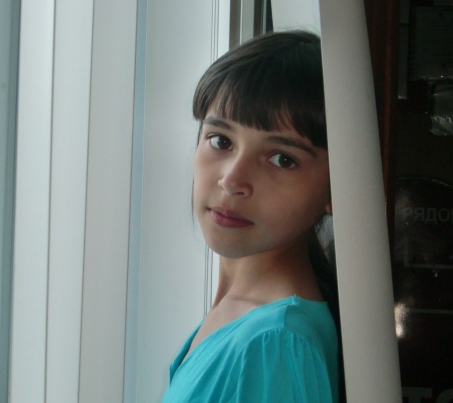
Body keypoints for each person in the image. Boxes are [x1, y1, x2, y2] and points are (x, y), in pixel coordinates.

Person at [162, 30, 340, 403]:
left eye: (282, 159)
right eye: (221, 141)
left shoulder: (274, 344)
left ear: (335, 189)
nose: (231, 180)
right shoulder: (248, 319)